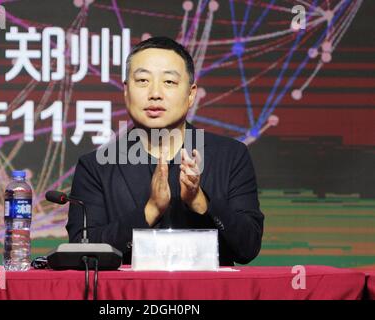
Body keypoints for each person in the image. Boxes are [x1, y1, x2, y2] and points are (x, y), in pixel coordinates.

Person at [66, 36, 264, 266]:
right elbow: (83, 249)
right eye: (142, 80)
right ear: (126, 91)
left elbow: (248, 247)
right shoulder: (96, 166)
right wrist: (150, 210)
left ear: (191, 94)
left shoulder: (230, 156)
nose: (155, 93)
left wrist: (201, 202)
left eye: (169, 82)